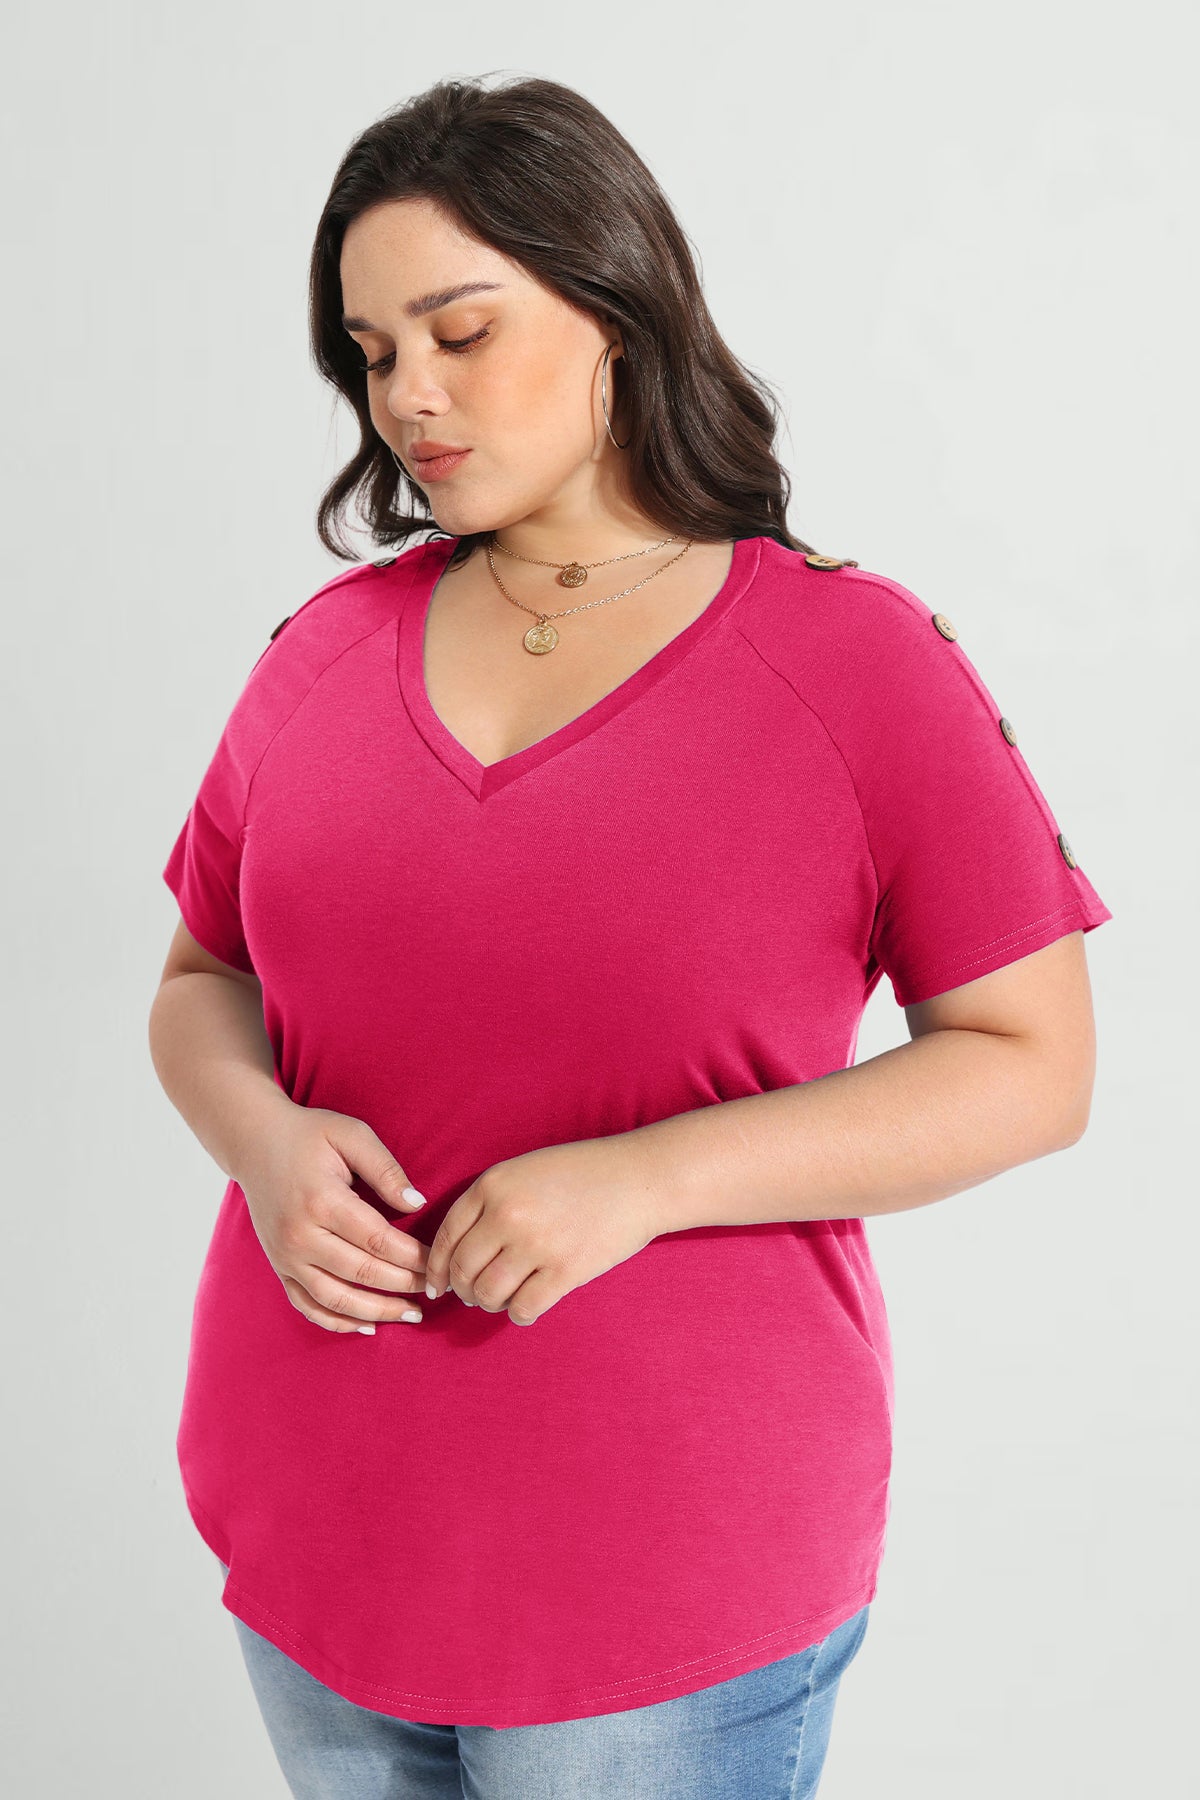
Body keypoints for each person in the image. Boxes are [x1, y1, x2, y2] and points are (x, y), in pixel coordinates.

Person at [148, 72, 1112, 1799]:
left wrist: (647, 1180)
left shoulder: (855, 665)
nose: (410, 395)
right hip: (312, 1526)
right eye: (372, 352)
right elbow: (199, 982)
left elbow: (1033, 1066)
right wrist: (264, 1142)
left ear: (614, 310)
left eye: (462, 330)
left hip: (666, 1572)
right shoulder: (321, 655)